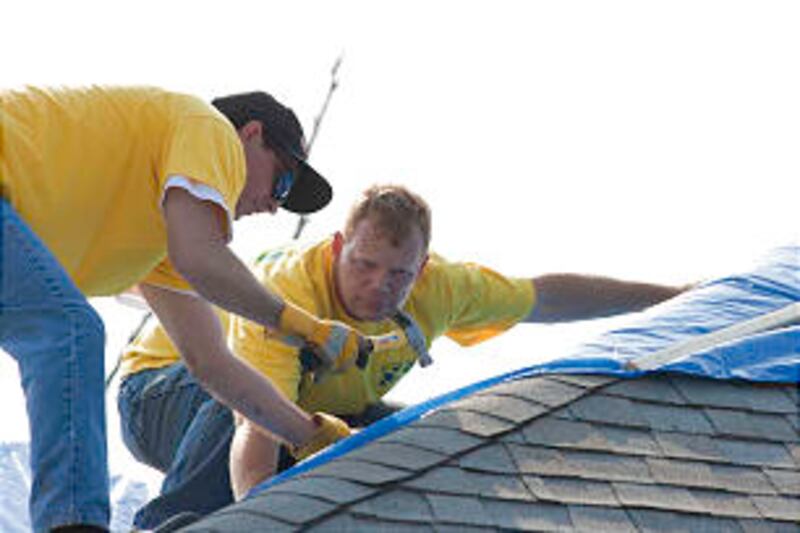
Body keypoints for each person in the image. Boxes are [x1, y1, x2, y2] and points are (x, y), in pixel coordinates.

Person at [118, 183, 690, 527]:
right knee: (251, 394)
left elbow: (547, 296)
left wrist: (675, 298)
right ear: (338, 247)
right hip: (168, 395)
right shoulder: (290, 290)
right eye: (363, 266)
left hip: (304, 415)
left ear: (421, 267)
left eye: (398, 274)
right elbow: (254, 427)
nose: (378, 286)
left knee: (428, 441)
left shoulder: (443, 287)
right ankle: (173, 526)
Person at [0, 86, 365, 533]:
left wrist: (311, 436)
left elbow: (211, 364)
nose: (273, 206)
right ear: (251, 135)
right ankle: (73, 524)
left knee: (66, 329)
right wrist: (302, 325)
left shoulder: (160, 244)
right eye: (282, 181)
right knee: (71, 331)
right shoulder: (207, 128)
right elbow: (203, 258)